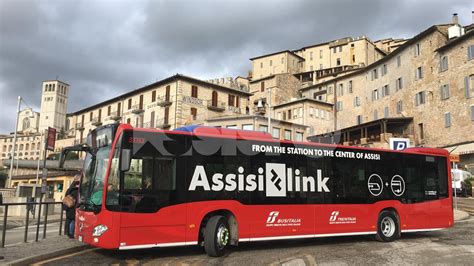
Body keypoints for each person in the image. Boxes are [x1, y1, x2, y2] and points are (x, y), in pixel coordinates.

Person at [64, 174, 80, 239]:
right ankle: (71, 234)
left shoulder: (70, 187)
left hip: (68, 206)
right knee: (73, 220)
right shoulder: (76, 189)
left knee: (69, 219)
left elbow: (66, 195)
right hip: (73, 207)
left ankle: (67, 233)